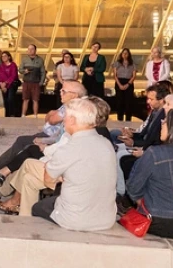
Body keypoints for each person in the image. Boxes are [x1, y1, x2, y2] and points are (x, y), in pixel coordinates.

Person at [0, 96, 111, 216]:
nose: (64, 120)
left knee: (29, 162)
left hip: (74, 196)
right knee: (29, 178)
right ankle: (25, 218)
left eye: (67, 117)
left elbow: (50, 176)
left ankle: (6, 193)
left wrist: (47, 152)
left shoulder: (79, 139)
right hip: (80, 188)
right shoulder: (98, 138)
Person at [31, 97, 117, 231]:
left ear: (71, 120)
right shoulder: (106, 144)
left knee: (38, 207)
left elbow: (48, 180)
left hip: (75, 219)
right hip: (107, 218)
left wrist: (58, 174)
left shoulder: (69, 148)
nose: (63, 121)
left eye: (64, 117)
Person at [0, 81, 87, 171]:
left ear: (74, 95)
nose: (60, 92)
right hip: (50, 136)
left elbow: (53, 122)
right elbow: (50, 119)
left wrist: (44, 141)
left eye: (64, 91)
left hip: (52, 140)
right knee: (24, 142)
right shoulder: (70, 105)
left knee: (23, 143)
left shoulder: (73, 109)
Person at [126, 109, 173, 239]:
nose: (162, 123)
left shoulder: (154, 153)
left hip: (159, 220)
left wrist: (140, 202)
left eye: (165, 121)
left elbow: (133, 187)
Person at [19, 44, 46, 117]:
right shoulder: (24, 59)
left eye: (32, 49)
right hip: (26, 82)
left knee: (35, 100)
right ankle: (23, 115)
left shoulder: (40, 60)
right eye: (29, 49)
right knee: (25, 99)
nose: (30, 51)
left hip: (36, 83)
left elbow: (43, 72)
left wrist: (41, 82)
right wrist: (25, 71)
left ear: (35, 50)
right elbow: (20, 70)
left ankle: (35, 116)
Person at [113, 48, 136, 122]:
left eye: (126, 53)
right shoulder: (117, 63)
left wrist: (128, 84)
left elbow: (134, 76)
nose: (125, 55)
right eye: (123, 53)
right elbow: (115, 75)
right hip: (119, 81)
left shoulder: (132, 64)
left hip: (129, 82)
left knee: (128, 102)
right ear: (121, 54)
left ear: (129, 54)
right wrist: (119, 84)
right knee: (119, 101)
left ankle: (128, 119)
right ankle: (120, 118)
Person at [0, 51, 19, 117]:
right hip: (3, 86)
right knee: (5, 100)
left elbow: (13, 76)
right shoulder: (1, 66)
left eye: (5, 56)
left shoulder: (13, 65)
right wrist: (1, 85)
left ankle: (12, 114)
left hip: (11, 85)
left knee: (10, 99)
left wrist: (6, 84)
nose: (3, 57)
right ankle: (7, 115)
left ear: (9, 57)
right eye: (2, 56)